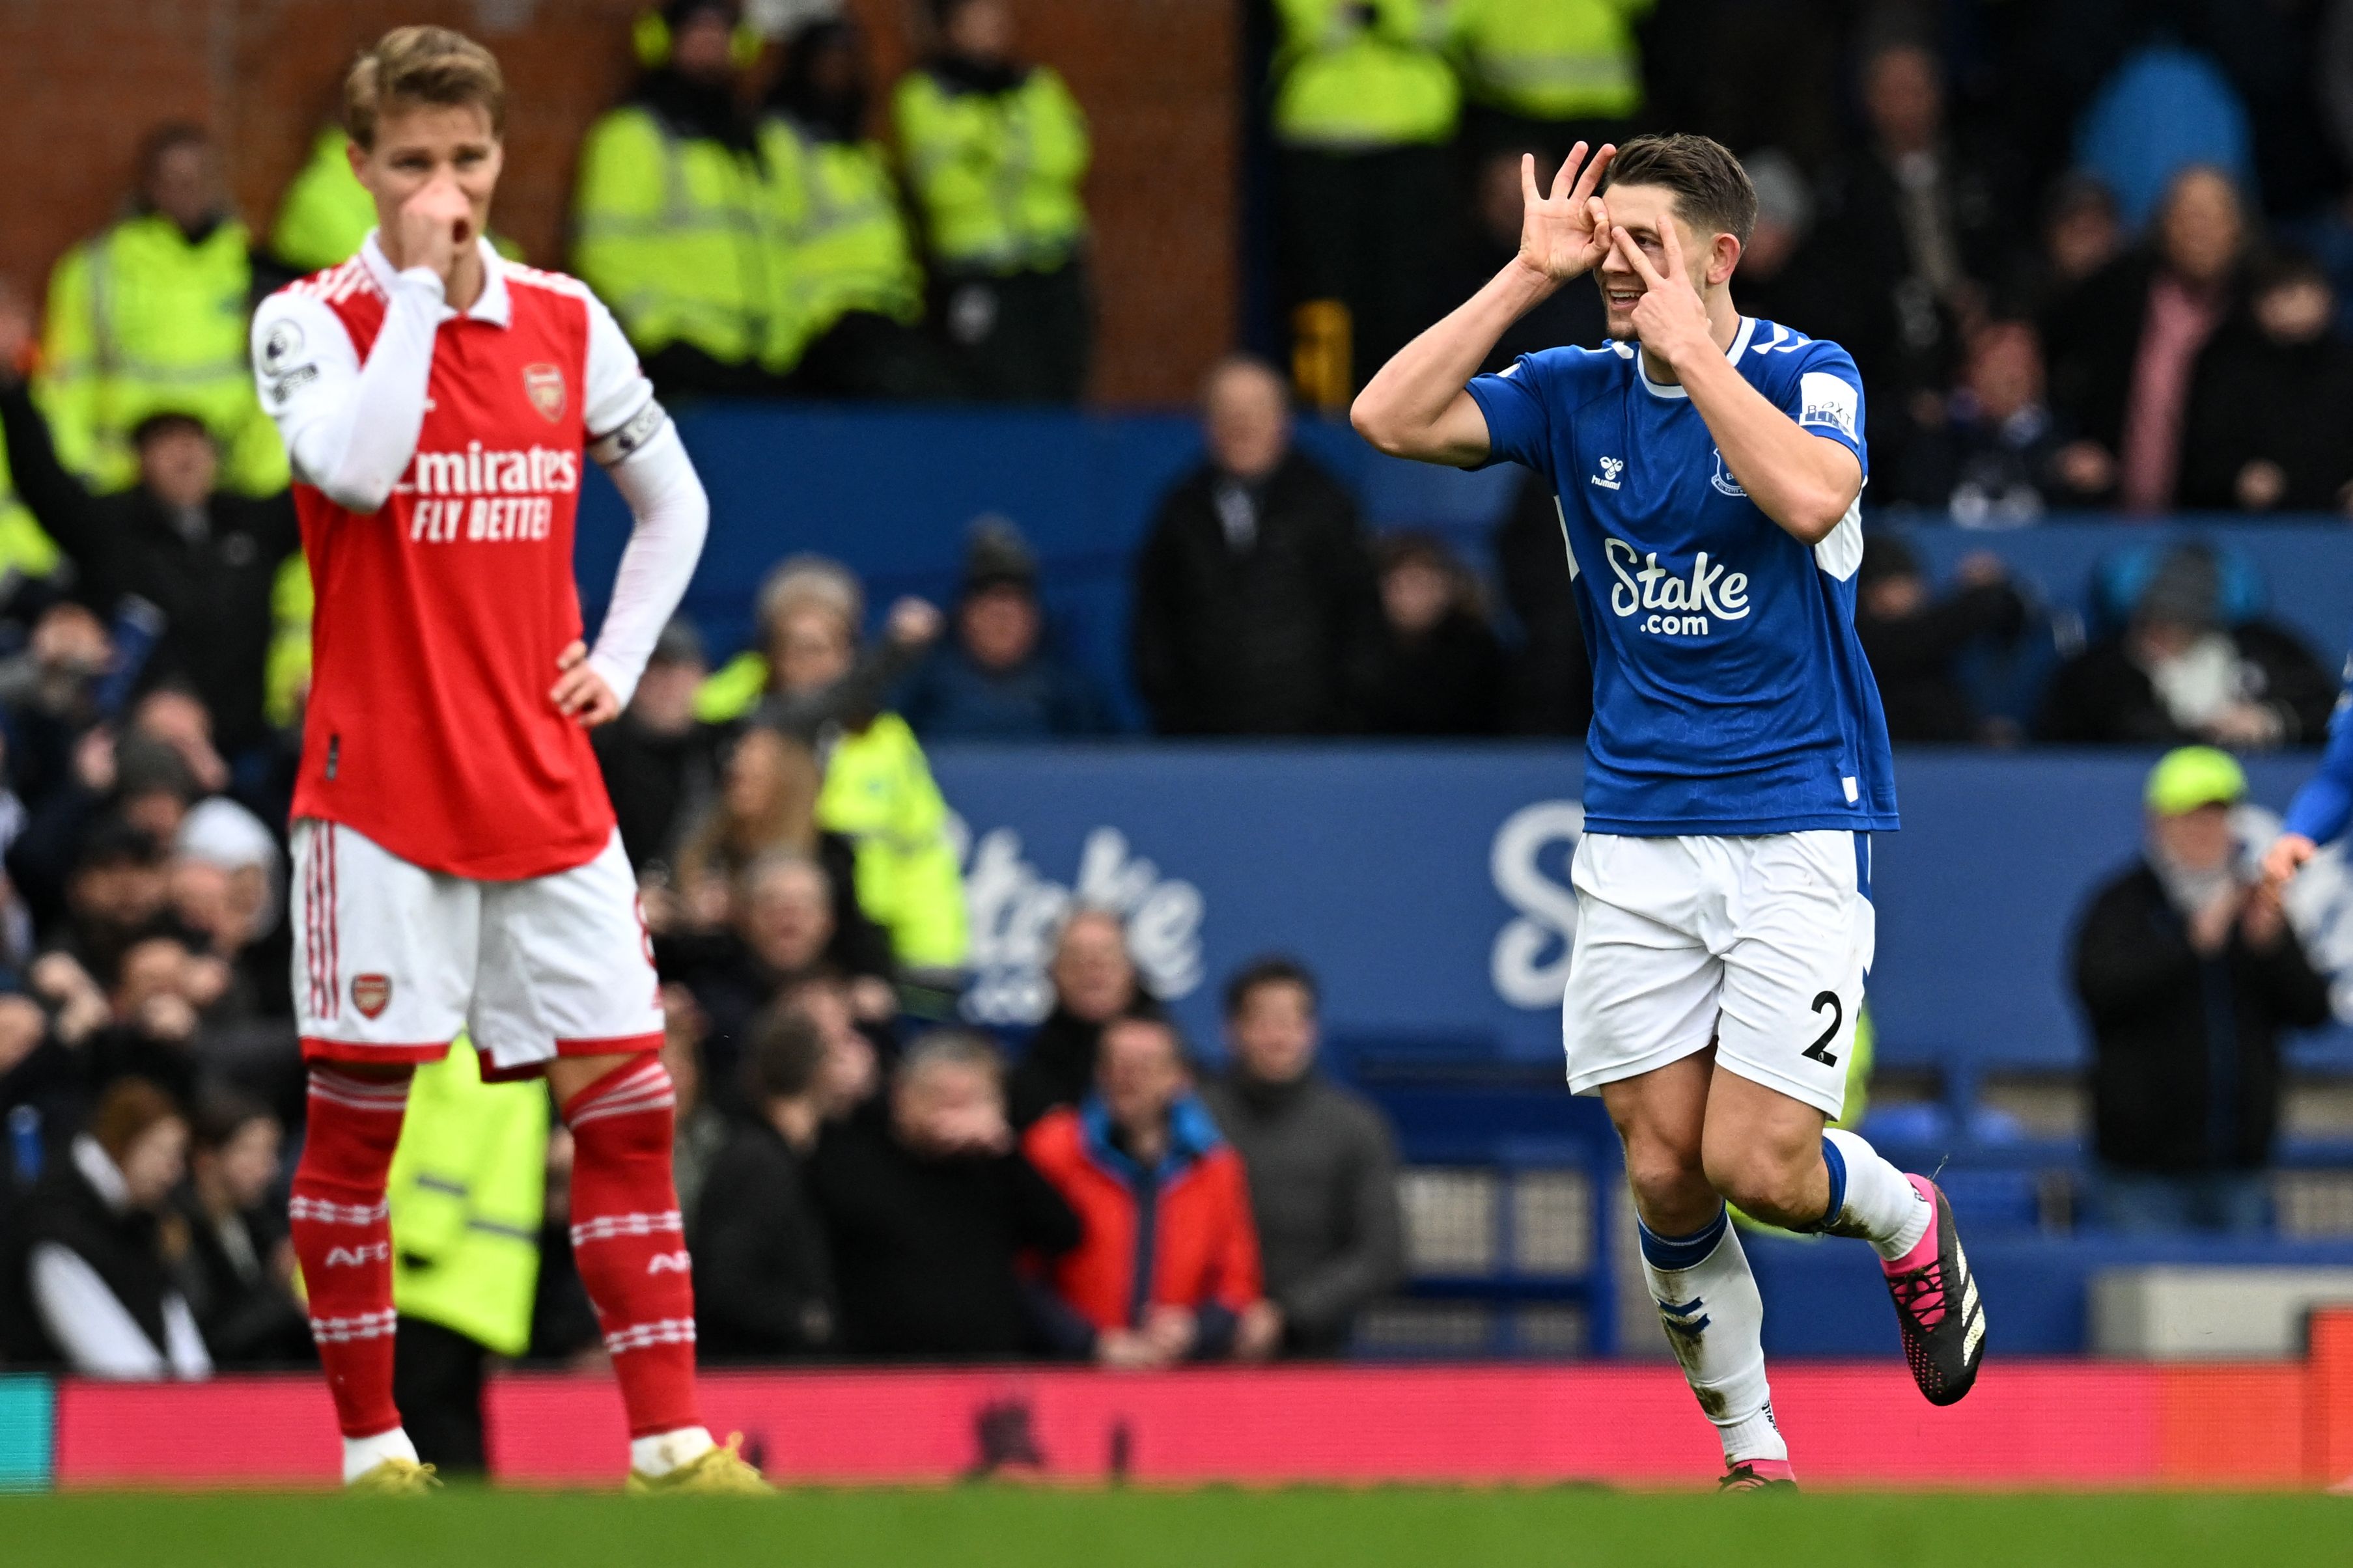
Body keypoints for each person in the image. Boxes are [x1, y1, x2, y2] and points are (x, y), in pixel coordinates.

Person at [1352, 133, 1983, 1490]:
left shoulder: (1809, 373)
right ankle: (1753, 1461)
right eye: (1602, 239)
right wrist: (1522, 279)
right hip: (1635, 825)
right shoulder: (1574, 388)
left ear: (1718, 257)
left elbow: (1815, 499)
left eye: (1645, 243)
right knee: (1661, 1165)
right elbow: (1388, 418)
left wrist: (1694, 353)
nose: (1616, 267)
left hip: (1794, 811)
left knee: (1756, 1159)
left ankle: (1904, 1216)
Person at [246, 28, 757, 1493]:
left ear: (499, 156)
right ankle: (372, 1446)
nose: (443, 189)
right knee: (360, 1122)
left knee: (629, 1098)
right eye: (411, 164)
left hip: (544, 780)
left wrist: (623, 651)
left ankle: (668, 1440)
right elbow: (355, 464)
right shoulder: (312, 319)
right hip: (377, 793)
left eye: (465, 160)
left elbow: (675, 506)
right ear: (361, 168)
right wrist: (414, 287)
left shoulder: (567, 320)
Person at [0, 327, 301, 756]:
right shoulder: (109, 528)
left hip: (244, 740)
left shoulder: (250, 524)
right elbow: (42, 480)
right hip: (138, 745)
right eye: (167, 444)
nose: (185, 455)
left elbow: (322, 490)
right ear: (140, 461)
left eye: (196, 443)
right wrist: (14, 389)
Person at [2072, 749, 2331, 1233]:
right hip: (2141, 1172)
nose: (2206, 832)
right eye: (2191, 818)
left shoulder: (2256, 905)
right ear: (2158, 823)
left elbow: (2312, 1010)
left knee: (2237, 1307)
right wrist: (2189, 946)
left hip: (2239, 1168)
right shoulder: (2122, 903)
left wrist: (2272, 950)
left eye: (2217, 817)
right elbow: (2101, 992)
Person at [694, 558, 968, 983]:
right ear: (770, 650)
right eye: (797, 647)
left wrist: (930, 964)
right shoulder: (718, 719)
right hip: (732, 946)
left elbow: (923, 855)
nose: (812, 664)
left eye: (826, 648)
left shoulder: (885, 741)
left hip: (860, 951)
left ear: (850, 653)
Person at [1132, 356, 1384, 736]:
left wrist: (1342, 720)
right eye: (1227, 411)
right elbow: (1153, 621)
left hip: (1311, 743)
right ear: (1207, 424)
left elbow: (1360, 618)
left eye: (1255, 410)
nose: (1241, 424)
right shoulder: (1180, 510)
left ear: (1284, 419)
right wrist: (1175, 716)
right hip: (1201, 743)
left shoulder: (1327, 504)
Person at [38, 124, 285, 496]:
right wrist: (87, 472)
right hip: (122, 479)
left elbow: (278, 384)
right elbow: (65, 385)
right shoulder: (93, 270)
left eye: (200, 175)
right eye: (173, 177)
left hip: (228, 481)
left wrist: (259, 476)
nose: (188, 189)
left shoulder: (254, 271)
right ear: (147, 185)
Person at [1023, 1013, 1275, 1366]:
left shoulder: (1215, 1166)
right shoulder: (1054, 1147)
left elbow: (1238, 1283)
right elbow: (1022, 1274)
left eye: (1144, 1065)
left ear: (1179, 1079)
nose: (1126, 1077)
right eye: (1114, 1063)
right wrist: (1091, 1342)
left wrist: (1194, 1329)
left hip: (1178, 1374)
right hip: (1071, 1369)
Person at [809, 1030, 1079, 1357]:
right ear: (901, 1094)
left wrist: (1006, 1153)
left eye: (973, 1099)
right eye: (939, 1097)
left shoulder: (997, 1167)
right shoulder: (855, 1159)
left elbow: (1064, 1234)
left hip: (984, 1372)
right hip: (882, 1370)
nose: (956, 1113)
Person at [572, 0, 781, 398]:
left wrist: (784, 345)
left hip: (764, 364)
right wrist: (661, 335)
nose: (710, 44)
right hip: (679, 368)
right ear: (663, 42)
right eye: (696, 32)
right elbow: (605, 250)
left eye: (720, 32)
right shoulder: (631, 136)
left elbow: (778, 249)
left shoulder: (751, 144)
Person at [1199, 959, 1404, 1356]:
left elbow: (1382, 1255)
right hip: (1199, 1348)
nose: (1277, 1035)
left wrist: (1288, 1314)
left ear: (1312, 1031)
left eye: (1291, 1020)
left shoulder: (1355, 1127)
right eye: (1262, 1020)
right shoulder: (1194, 1121)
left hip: (1314, 1352)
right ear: (1231, 1032)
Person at [894, 0, 1092, 402]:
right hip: (979, 273)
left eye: (997, 15)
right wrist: (1023, 156)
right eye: (978, 17)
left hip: (1054, 267)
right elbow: (944, 189)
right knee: (996, 393)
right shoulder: (924, 93)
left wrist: (984, 149)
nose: (992, 26)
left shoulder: (1036, 84)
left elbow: (1070, 154)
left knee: (1064, 386)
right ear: (949, 26)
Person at [1270, 0, 1459, 399]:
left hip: (1415, 143)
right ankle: (1320, 405)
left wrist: (1374, 13)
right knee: (1321, 288)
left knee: (1407, 289)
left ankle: (1404, 400)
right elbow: (1312, 22)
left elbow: (1447, 23)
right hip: (1320, 142)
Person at [760, 18, 954, 398]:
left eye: (848, 62)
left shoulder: (866, 156)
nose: (839, 74)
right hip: (823, 324)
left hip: (888, 318)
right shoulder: (777, 145)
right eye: (828, 62)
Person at [2044, 165, 2248, 516]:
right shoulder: (2112, 296)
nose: (2199, 231)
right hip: (2108, 519)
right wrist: (2071, 445)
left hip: (2224, 526)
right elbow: (2057, 372)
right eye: (2187, 216)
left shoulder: (2260, 314)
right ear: (2164, 226)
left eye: (2213, 217)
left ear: (2238, 230)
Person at [385, 1043, 549, 1476]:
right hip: (475, 1276)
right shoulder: (498, 1046)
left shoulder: (459, 1046)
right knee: (451, 1413)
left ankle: (448, 1533)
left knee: (429, 1420)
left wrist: (420, 1237)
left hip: (434, 1274)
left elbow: (450, 1144)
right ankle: (469, 1532)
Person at [2037, 543, 2335, 749]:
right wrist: (2201, 736)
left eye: (2177, 622)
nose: (2159, 632)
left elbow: (2329, 711)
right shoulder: (2098, 670)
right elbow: (2063, 741)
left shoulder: (2266, 651)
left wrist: (2272, 722)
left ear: (2206, 623)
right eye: (2148, 619)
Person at [668, 727, 894, 996]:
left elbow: (854, 935)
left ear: (787, 783)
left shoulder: (828, 853)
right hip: (721, 983)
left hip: (804, 988)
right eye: (734, 778)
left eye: (753, 779)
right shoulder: (706, 847)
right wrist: (682, 918)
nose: (738, 788)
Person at [11, 1077, 211, 1379]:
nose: (174, 1172)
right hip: (57, 1415)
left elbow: (178, 1332)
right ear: (123, 1144)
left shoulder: (139, 1220)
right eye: (164, 1154)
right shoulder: (56, 1227)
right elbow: (115, 1365)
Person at [688, 1004, 841, 1358]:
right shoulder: (760, 1164)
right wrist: (806, 1320)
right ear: (820, 1074)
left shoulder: (771, 1155)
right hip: (759, 1378)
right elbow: (727, 1284)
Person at [899, 519, 1111, 741]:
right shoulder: (923, 682)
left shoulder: (1068, 690)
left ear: (1035, 619)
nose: (1001, 625)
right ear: (964, 616)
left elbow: (1110, 761)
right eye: (990, 611)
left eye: (1013, 611)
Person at [2181, 253, 2353, 515]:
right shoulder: (2225, 365)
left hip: (2334, 527)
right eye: (2275, 294)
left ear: (2326, 297)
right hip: (2244, 525)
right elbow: (2201, 450)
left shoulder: (2346, 366)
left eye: (2299, 290)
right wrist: (2237, 476)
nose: (2289, 304)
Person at [171, 1093, 309, 1367]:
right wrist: (280, 1288)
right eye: (252, 1152)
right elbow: (211, 1334)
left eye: (272, 1153)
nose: (270, 1169)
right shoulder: (178, 1231)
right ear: (206, 1158)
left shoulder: (256, 1223)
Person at [1851, 538, 2024, 745]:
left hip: (1952, 755)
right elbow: (1919, 638)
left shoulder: (1928, 627)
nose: (1909, 593)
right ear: (1867, 592)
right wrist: (1981, 593)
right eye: (1892, 584)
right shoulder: (1858, 638)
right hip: (1895, 754)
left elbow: (2011, 615)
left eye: (1909, 582)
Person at [1006, 907, 1163, 1129]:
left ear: (1131, 969)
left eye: (1106, 955)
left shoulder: (1182, 1074)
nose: (1092, 968)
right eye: (1076, 957)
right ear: (1053, 972)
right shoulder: (1027, 1079)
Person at [592, 617, 717, 877]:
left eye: (681, 670)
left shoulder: (723, 748)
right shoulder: (598, 752)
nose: (668, 686)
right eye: (654, 670)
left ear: (701, 675)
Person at [1365, 530, 1507, 736]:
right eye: (1402, 584)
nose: (1414, 596)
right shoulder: (1359, 652)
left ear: (1448, 588)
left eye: (1424, 583)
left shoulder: (1480, 652)